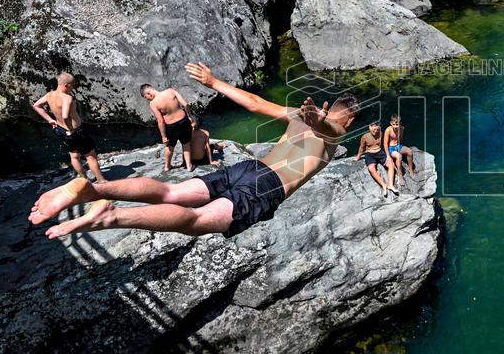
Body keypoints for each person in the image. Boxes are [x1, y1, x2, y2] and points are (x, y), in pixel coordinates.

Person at [29, 62, 359, 239]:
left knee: (169, 192)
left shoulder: (304, 116)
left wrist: (215, 83)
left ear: (328, 108)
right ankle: (112, 215)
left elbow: (256, 104)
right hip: (266, 186)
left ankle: (93, 189)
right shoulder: (335, 131)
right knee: (195, 219)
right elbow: (332, 130)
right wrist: (322, 125)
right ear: (351, 117)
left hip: (248, 167)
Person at [32, 72, 107, 183]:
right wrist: (71, 130)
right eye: (73, 85)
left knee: (74, 156)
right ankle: (102, 181)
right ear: (66, 85)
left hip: (61, 130)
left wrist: (50, 120)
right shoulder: (67, 98)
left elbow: (36, 106)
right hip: (75, 131)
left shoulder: (49, 95)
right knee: (90, 156)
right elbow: (65, 116)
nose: (73, 87)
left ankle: (84, 181)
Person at [140, 83, 194, 172]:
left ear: (149, 93)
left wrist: (163, 136)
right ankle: (189, 166)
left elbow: (160, 121)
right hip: (184, 121)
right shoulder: (170, 91)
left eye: (146, 97)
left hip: (171, 127)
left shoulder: (153, 103)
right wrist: (190, 116)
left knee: (170, 147)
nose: (148, 99)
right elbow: (185, 104)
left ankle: (167, 166)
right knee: (186, 144)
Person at [355, 121, 396, 197]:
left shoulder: (381, 133)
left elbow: (384, 143)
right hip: (370, 154)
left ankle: (390, 185)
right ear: (370, 128)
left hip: (380, 152)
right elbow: (361, 147)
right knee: (371, 168)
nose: (376, 131)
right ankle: (383, 185)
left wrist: (388, 156)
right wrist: (358, 157)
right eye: (374, 130)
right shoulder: (365, 136)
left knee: (391, 164)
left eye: (377, 129)